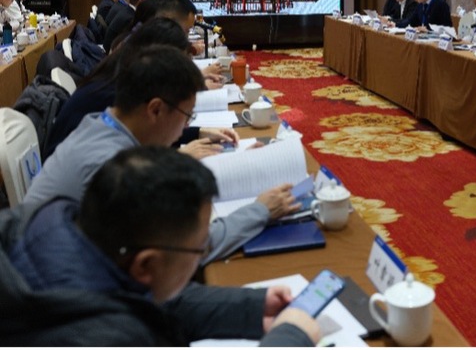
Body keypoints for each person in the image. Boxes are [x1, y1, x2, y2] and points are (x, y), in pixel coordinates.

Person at [0, 146, 320, 345]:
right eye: (200, 248)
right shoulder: (105, 338)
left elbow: (147, 299)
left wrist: (251, 307)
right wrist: (290, 338)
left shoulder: (50, 225)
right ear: (146, 264)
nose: (203, 253)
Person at [23, 45, 300, 264]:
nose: (186, 128)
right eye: (186, 117)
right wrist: (261, 211)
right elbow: (182, 250)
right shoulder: (110, 166)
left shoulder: (100, 124)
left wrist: (234, 162)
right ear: (155, 109)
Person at [44, 17, 230, 160]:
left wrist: (197, 133)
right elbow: (131, 159)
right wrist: (178, 157)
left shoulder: (123, 74)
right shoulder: (114, 93)